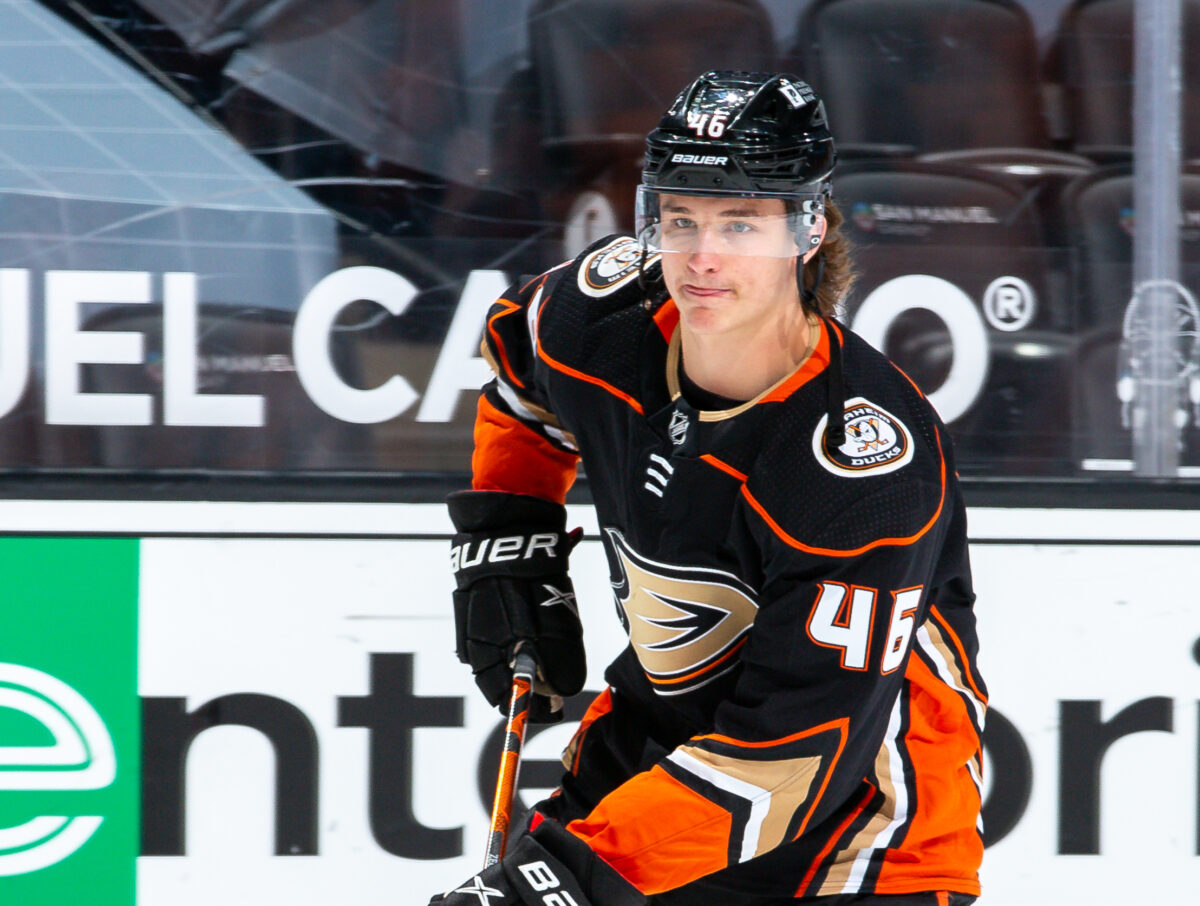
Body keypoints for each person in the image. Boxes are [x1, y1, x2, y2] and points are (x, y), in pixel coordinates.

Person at [435, 71, 986, 906]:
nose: (702, 256)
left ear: (807, 231)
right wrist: (509, 549)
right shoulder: (605, 318)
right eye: (679, 217)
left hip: (863, 841)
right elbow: (520, 373)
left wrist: (570, 885)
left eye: (741, 223)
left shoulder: (860, 463)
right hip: (656, 754)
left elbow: (792, 759)